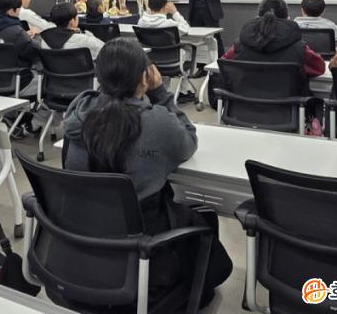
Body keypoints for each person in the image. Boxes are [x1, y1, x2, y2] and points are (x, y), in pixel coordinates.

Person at [64, 39, 232, 304]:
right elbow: (188, 141)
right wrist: (161, 93)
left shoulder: (78, 114)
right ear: (146, 77)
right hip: (142, 243)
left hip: (84, 239)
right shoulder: (156, 122)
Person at [40, 2, 104, 60]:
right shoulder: (86, 41)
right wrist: (87, 34)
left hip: (56, 69)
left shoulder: (44, 41)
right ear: (72, 22)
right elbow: (106, 50)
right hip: (81, 69)